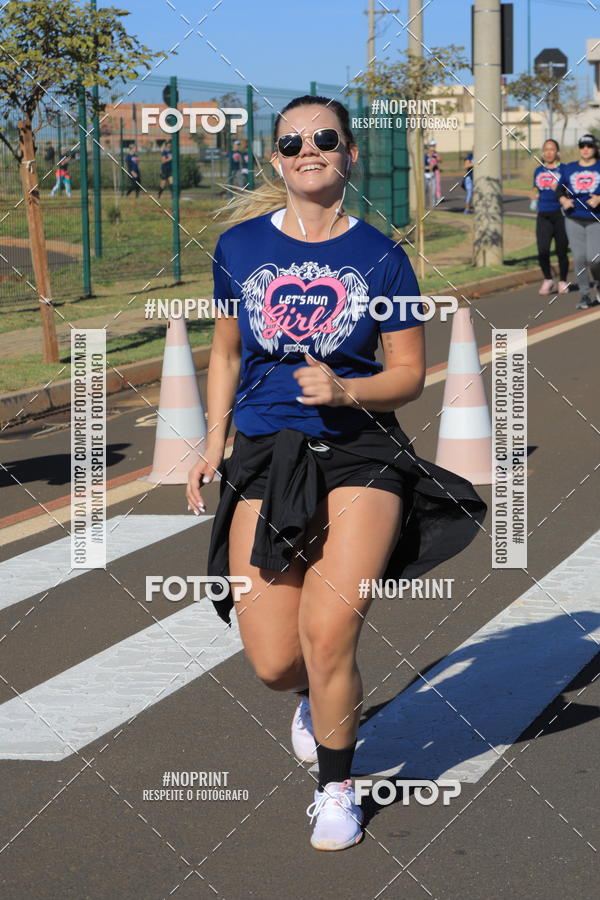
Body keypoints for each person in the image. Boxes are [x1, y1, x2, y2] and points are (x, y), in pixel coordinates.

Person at [187, 94, 487, 852]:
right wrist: (212, 442)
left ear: (350, 153)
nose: (309, 150)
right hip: (264, 454)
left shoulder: (382, 256)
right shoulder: (239, 247)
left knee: (328, 635)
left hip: (360, 454)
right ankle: (313, 700)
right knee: (273, 660)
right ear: (276, 159)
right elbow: (225, 353)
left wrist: (347, 390)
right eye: (293, 143)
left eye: (325, 137)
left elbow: (409, 374)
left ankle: (337, 788)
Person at [557, 133, 600, 309]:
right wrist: (563, 200)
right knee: (580, 259)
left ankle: (598, 283)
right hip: (573, 218)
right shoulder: (570, 168)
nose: (586, 149)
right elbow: (558, 189)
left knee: (595, 259)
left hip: (595, 219)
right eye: (582, 146)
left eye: (589, 146)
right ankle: (584, 295)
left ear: (595, 148)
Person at [531, 139, 570, 295]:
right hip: (543, 215)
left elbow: (572, 190)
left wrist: (561, 189)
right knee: (542, 251)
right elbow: (535, 188)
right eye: (546, 149)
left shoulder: (564, 170)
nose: (548, 152)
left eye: (552, 149)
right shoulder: (538, 171)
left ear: (557, 152)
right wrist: (533, 194)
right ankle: (548, 279)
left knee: (561, 251)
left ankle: (562, 281)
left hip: (560, 215)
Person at [424, 143, 437, 208]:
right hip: (425, 176)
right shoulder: (424, 157)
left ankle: (433, 206)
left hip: (432, 176)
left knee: (433, 192)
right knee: (425, 191)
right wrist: (427, 167)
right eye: (431, 150)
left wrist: (432, 166)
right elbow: (423, 167)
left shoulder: (434, 157)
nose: (432, 152)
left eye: (433, 151)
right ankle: (422, 205)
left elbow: (434, 165)